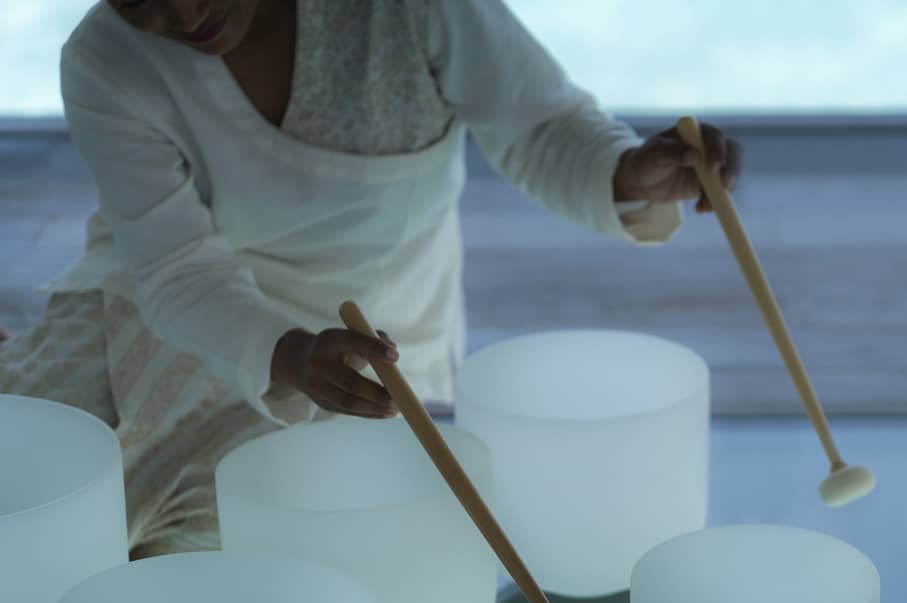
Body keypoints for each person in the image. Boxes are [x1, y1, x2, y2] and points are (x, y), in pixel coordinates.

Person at [0, 0, 740, 558]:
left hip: (367, 354)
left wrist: (626, 172)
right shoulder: (106, 58)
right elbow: (174, 266)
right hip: (169, 305)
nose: (183, 12)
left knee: (231, 568)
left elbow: (540, 128)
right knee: (34, 507)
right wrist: (283, 352)